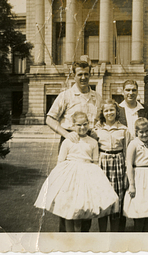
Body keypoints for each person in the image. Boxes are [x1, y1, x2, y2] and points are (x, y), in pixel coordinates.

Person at [34, 111, 118, 232]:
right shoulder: (67, 141)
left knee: (85, 205)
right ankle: (69, 237)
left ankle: (82, 236)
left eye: (85, 124)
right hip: (70, 176)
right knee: (69, 206)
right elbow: (60, 161)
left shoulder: (93, 142)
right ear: (73, 125)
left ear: (88, 124)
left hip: (88, 175)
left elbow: (95, 162)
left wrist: (98, 180)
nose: (82, 127)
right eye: (79, 125)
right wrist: (58, 181)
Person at [46, 60, 102, 232]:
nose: (83, 77)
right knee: (67, 193)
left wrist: (96, 130)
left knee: (87, 193)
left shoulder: (97, 97)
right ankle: (65, 237)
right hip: (70, 144)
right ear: (74, 75)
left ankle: (84, 237)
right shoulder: (65, 95)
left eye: (86, 74)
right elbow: (50, 118)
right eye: (80, 74)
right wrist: (66, 134)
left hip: (89, 146)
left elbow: (98, 121)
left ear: (90, 74)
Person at [93, 99, 130, 232]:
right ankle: (102, 234)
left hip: (118, 164)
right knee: (102, 200)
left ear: (116, 111)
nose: (109, 113)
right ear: (102, 113)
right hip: (102, 164)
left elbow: (127, 152)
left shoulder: (124, 129)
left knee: (116, 200)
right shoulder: (96, 129)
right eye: (106, 110)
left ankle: (114, 236)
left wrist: (127, 174)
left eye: (112, 110)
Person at [119, 80, 148, 147]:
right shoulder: (116, 110)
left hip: (142, 151)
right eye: (127, 90)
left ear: (137, 92)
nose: (131, 93)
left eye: (133, 90)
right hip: (122, 151)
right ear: (123, 92)